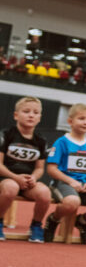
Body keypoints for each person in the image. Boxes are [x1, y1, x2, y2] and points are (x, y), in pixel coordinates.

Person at [43, 103, 86, 243]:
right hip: (63, 183)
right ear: (70, 121)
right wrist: (70, 181)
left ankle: (82, 221)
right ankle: (53, 219)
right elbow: (51, 169)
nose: (85, 122)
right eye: (81, 118)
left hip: (84, 185)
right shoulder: (61, 142)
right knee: (72, 202)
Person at [0, 96, 51, 242]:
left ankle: (36, 225)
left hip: (26, 182)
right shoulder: (6, 135)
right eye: (26, 111)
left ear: (39, 118)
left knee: (45, 193)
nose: (31, 115)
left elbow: (40, 168)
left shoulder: (41, 140)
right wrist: (15, 177)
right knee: (11, 188)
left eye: (35, 112)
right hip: (5, 178)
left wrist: (33, 177)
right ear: (16, 115)